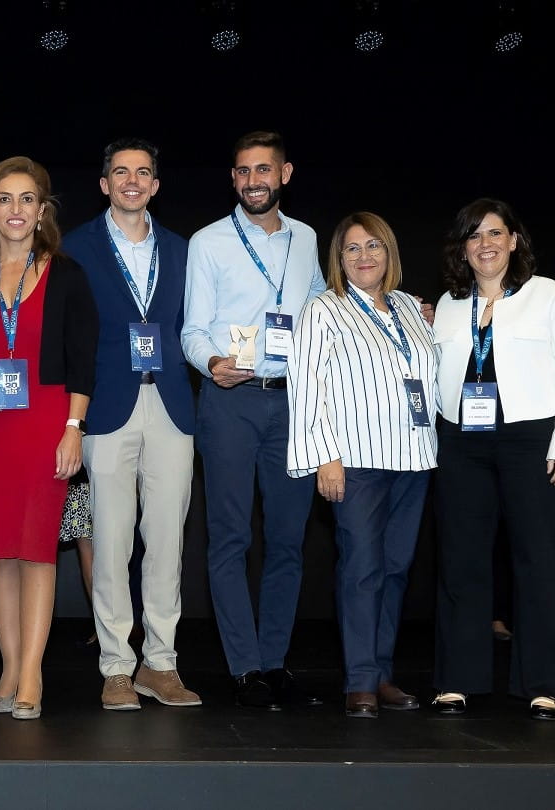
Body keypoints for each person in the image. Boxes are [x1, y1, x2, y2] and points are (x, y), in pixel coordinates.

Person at [181, 130, 326, 711]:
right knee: (231, 538)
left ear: (285, 173)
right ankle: (244, 667)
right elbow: (192, 330)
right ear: (233, 179)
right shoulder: (209, 242)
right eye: (242, 172)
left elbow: (322, 306)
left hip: (293, 400)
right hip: (230, 404)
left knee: (289, 541)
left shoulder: (309, 239)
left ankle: (274, 659)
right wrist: (211, 362)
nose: (252, 181)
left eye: (263, 170)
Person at [429, 197, 555, 721]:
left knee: (539, 561)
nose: (486, 244)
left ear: (514, 240)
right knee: (462, 560)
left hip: (532, 441)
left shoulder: (548, 296)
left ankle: (544, 683)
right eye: (474, 236)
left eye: (495, 233)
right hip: (462, 442)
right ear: (463, 248)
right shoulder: (451, 304)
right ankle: (457, 680)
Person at [63, 138, 201, 712]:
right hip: (108, 407)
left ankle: (160, 664)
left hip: (170, 405)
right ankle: (117, 666)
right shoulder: (75, 248)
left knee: (167, 542)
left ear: (156, 185)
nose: (132, 181)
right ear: (104, 184)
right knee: (113, 541)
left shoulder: (184, 249)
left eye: (143, 172)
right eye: (120, 172)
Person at [286, 212, 438, 718]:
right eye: (352, 249)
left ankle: (382, 673)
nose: (364, 256)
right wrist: (324, 457)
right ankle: (359, 683)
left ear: (389, 252)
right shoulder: (322, 310)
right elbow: (306, 388)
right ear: (339, 259)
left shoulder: (410, 309)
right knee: (362, 571)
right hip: (356, 462)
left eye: (373, 245)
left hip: (412, 459)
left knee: (396, 570)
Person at [0, 156, 98, 720]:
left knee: (38, 551)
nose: (15, 210)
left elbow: (82, 360)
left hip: (47, 423)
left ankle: (31, 675)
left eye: (26, 200)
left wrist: (74, 428)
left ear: (41, 211)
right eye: (5, 200)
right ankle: (7, 669)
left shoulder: (66, 274)